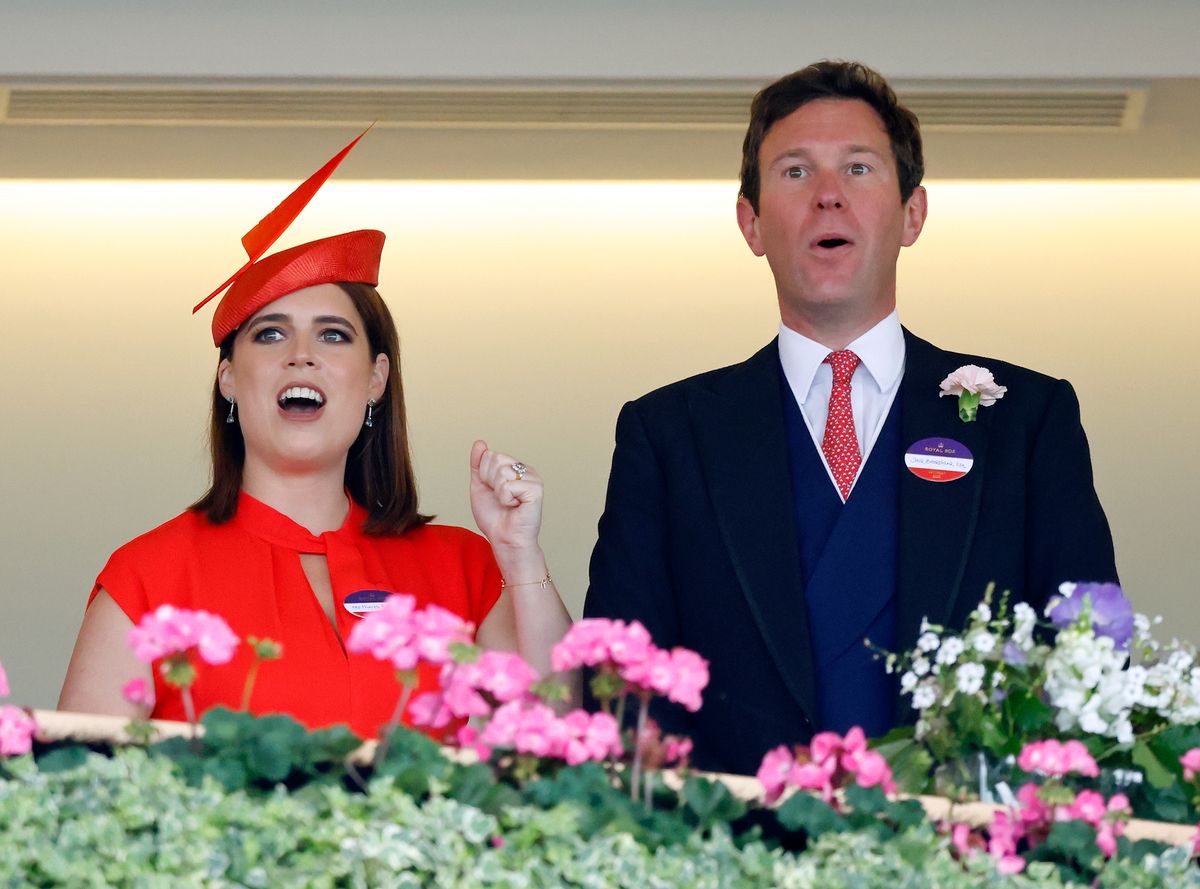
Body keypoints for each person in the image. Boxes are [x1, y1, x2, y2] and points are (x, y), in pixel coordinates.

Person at [583, 61, 1117, 776]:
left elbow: (1086, 665)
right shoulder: (669, 433)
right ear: (750, 222)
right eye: (795, 173)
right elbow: (623, 682)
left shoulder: (1025, 421)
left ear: (913, 214)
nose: (828, 196)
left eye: (859, 168)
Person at [59, 132, 573, 739]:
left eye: (333, 335)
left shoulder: (463, 565)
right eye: (271, 335)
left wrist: (519, 555)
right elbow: (77, 793)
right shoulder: (148, 574)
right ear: (228, 378)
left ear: (377, 378)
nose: (301, 356)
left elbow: (561, 734)